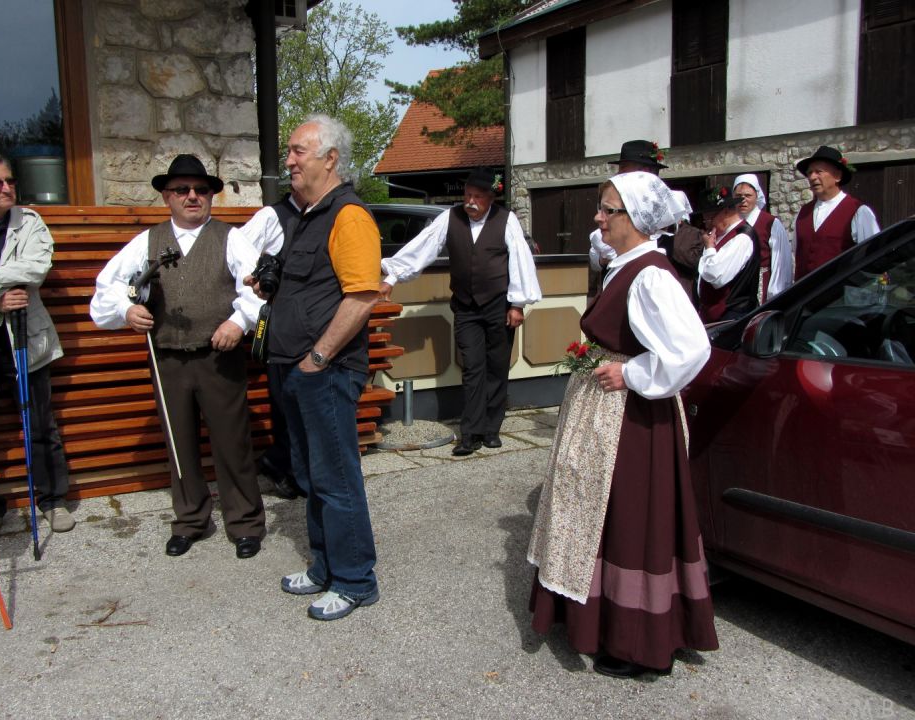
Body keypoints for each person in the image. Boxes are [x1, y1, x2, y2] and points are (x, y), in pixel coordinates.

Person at [527, 171, 718, 678]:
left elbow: (691, 348)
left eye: (608, 209)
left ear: (635, 220)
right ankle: (602, 621)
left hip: (632, 419)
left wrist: (633, 372)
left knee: (631, 518)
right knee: (598, 513)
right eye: (602, 207)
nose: (598, 217)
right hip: (608, 411)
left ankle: (637, 640)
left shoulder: (651, 274)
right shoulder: (625, 264)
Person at [90, 154, 266, 559]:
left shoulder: (231, 238)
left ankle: (244, 523)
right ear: (166, 197)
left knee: (231, 442)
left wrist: (238, 322)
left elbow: (259, 289)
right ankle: (190, 521)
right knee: (179, 441)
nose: (192, 197)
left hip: (218, 358)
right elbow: (106, 289)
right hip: (167, 357)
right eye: (182, 190)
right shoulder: (147, 243)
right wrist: (126, 310)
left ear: (210, 197)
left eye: (201, 190)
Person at [248, 114, 381, 621]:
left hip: (324, 371)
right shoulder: (304, 215)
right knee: (309, 474)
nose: (289, 160)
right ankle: (326, 566)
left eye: (299, 151)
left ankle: (355, 580)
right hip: (293, 368)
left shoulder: (348, 216)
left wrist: (318, 357)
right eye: (288, 151)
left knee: (336, 477)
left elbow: (363, 296)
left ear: (331, 158)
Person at [379, 166, 541, 456]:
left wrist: (517, 305)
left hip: (498, 306)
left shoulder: (507, 220)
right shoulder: (450, 217)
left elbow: (519, 260)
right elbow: (423, 248)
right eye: (468, 195)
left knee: (497, 366)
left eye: (478, 196)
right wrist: (392, 277)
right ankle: (471, 433)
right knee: (473, 368)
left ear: (491, 198)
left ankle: (491, 429)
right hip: (466, 307)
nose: (471, 201)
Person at [0, 153, 74, 543]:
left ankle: (53, 500)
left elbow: (35, 269)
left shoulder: (30, 223)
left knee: (41, 427)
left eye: (10, 181)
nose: (8, 188)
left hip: (28, 342)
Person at [239, 191, 305, 500]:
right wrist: (249, 313)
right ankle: (281, 465)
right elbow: (237, 262)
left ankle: (292, 466)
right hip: (279, 325)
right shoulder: (271, 217)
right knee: (285, 401)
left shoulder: (325, 215)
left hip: (312, 324)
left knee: (305, 402)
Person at [793, 145, 879, 281]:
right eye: (809, 173)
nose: (812, 177)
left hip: (838, 297)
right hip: (804, 297)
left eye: (818, 171)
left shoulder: (858, 211)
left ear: (837, 176)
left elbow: (872, 257)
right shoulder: (803, 213)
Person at [589, 140, 668, 271]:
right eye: (621, 169)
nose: (620, 174)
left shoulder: (663, 207)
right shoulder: (614, 198)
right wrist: (603, 259)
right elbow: (595, 256)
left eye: (624, 169)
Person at [697, 186, 761, 324]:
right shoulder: (721, 235)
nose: (708, 224)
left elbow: (716, 276)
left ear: (725, 212)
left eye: (710, 219)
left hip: (732, 317)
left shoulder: (742, 237)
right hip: (717, 317)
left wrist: (709, 249)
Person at [732, 174, 793, 302]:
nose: (743, 200)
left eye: (748, 196)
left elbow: (781, 263)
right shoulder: (730, 223)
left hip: (760, 289)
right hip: (735, 288)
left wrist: (775, 296)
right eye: (738, 196)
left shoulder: (770, 223)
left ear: (757, 196)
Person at [655, 189, 704, 303]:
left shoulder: (695, 233)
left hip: (684, 288)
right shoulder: (658, 233)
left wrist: (672, 238)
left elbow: (695, 262)